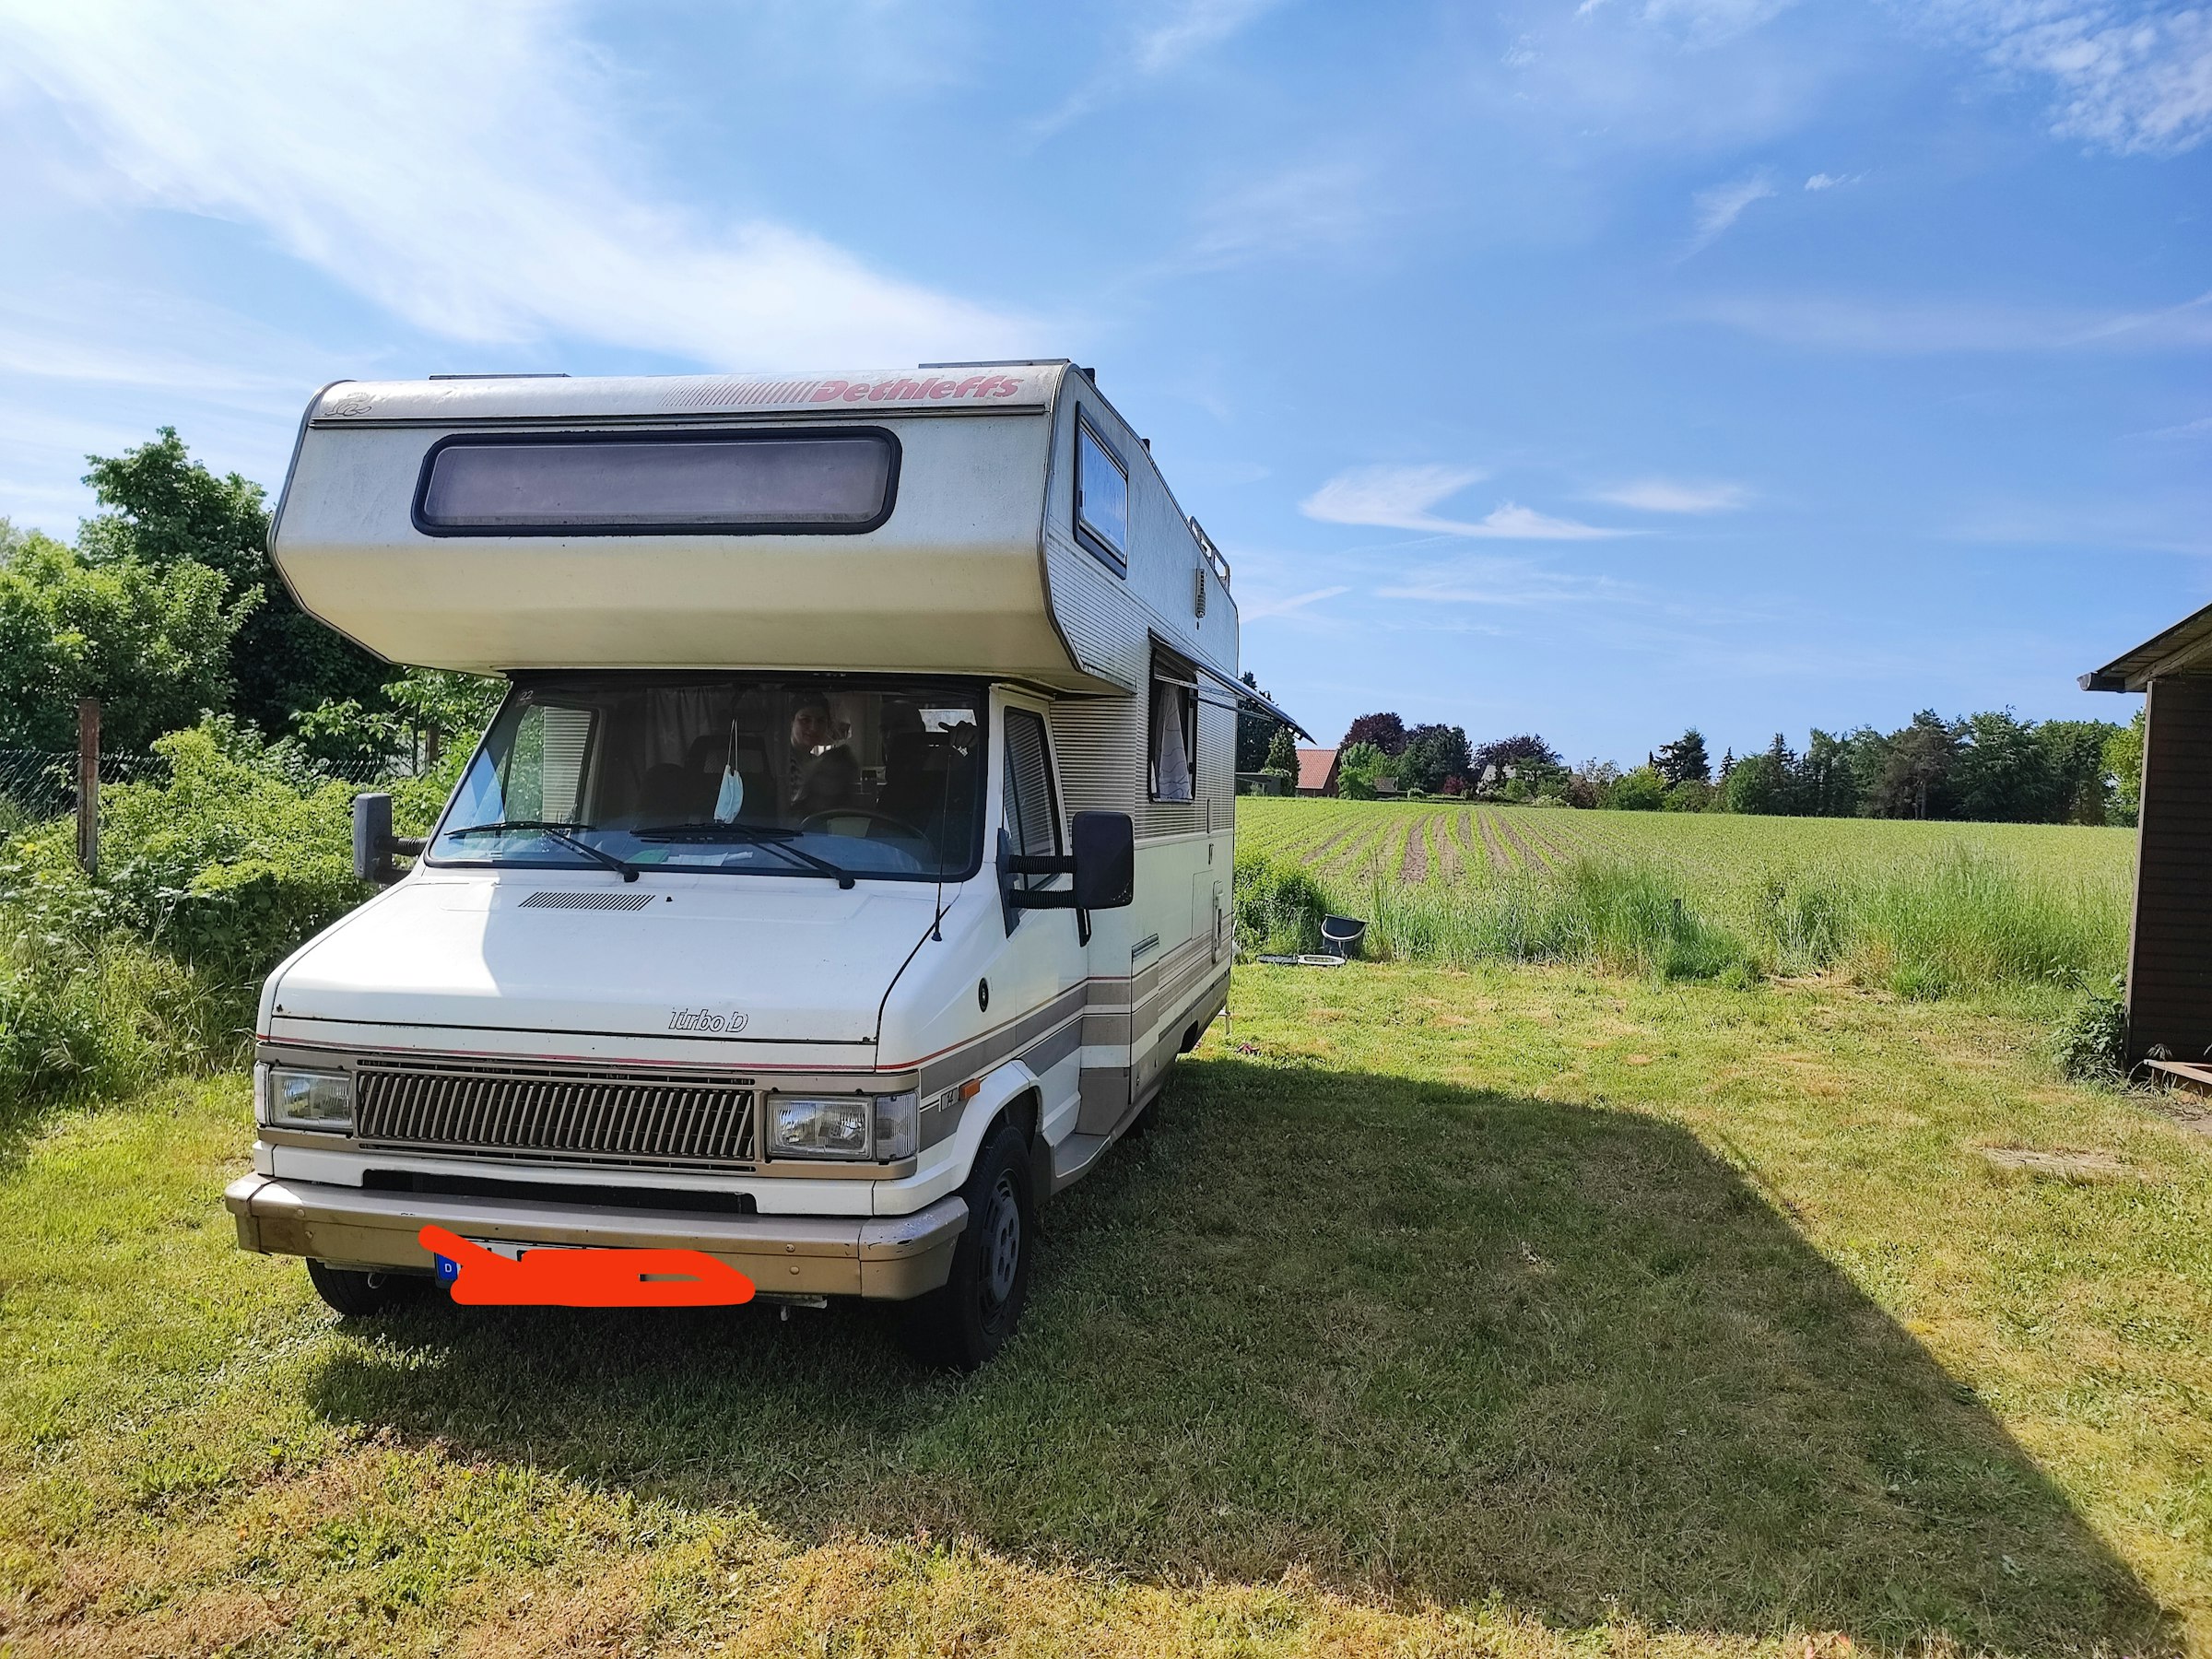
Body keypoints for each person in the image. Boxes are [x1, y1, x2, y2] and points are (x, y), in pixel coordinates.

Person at [784, 695, 859, 818]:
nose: (814, 728)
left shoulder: (817, 762)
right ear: (791, 721)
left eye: (820, 721)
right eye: (805, 720)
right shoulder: (781, 764)